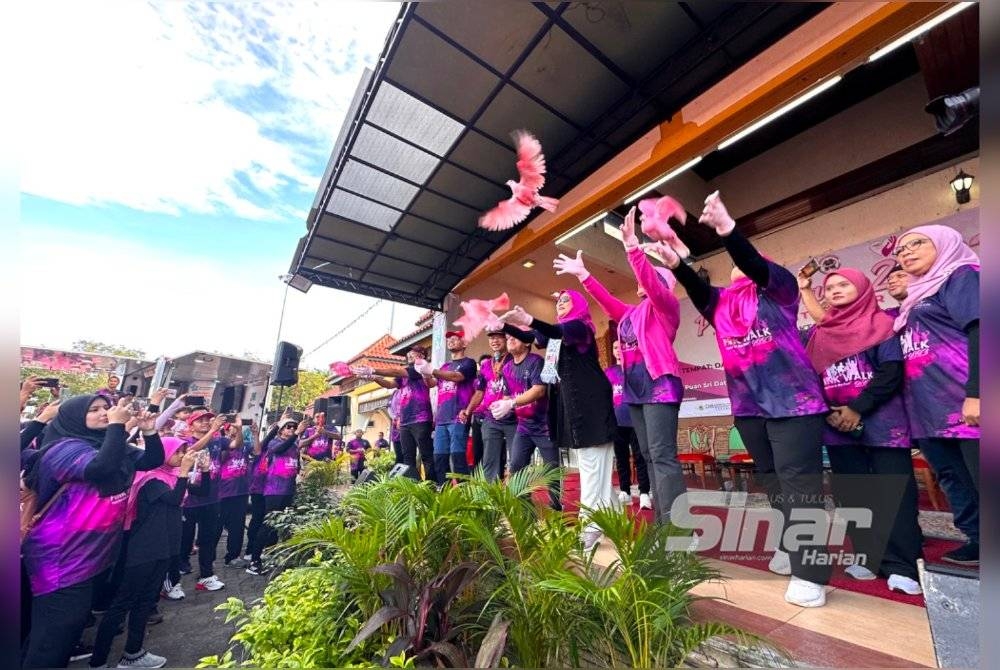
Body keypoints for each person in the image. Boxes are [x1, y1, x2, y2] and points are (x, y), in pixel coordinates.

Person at [658, 191, 831, 607]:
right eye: (732, 261)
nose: (738, 266)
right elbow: (700, 291)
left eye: (743, 259)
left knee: (799, 485)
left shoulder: (781, 290)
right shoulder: (720, 305)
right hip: (749, 408)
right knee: (772, 483)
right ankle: (790, 547)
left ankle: (812, 573)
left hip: (794, 404)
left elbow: (753, 263)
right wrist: (678, 265)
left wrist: (727, 230)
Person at [555, 206, 685, 525]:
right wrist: (583, 275)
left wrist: (632, 248)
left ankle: (681, 529)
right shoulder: (629, 314)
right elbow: (604, 299)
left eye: (652, 278)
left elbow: (653, 286)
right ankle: (664, 522)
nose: (646, 281)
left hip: (660, 388)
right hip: (636, 393)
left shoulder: (666, 307)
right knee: (649, 456)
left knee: (663, 456)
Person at [800, 267, 923, 595]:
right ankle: (869, 557)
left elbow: (891, 372)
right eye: (830, 287)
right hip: (836, 427)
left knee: (893, 494)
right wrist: (830, 413)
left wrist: (857, 409)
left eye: (843, 284)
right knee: (854, 496)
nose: (835, 290)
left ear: (863, 288)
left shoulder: (881, 323)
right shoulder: (819, 334)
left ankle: (902, 565)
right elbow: (811, 378)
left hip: (883, 424)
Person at [21, 395, 164, 669]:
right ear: (74, 418)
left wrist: (149, 430)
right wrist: (117, 426)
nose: (104, 413)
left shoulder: (108, 445)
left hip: (93, 556)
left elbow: (150, 460)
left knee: (63, 634)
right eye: (94, 410)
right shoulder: (63, 449)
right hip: (62, 557)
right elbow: (100, 467)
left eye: (106, 408)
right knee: (52, 637)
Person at [501, 290, 618, 551]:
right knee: (596, 467)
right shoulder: (558, 336)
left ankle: (591, 527)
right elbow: (534, 336)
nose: (561, 304)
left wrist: (530, 319)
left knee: (592, 467)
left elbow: (551, 331)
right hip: (576, 406)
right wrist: (504, 326)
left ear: (578, 305)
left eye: (566, 300)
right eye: (558, 302)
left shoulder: (581, 327)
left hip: (591, 404)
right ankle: (615, 519)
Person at [893, 224, 979, 565]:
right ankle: (978, 539)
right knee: (954, 478)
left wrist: (978, 393)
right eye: (901, 250)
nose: (906, 252)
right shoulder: (916, 296)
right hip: (930, 411)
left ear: (944, 244)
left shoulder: (962, 276)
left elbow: (983, 328)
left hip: (965, 400)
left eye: (917, 243)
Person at [89, 441, 204, 669]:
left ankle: (133, 653)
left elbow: (196, 493)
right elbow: (173, 499)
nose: (182, 456)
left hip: (163, 549)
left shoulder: (170, 477)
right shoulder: (151, 479)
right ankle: (98, 661)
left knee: (145, 601)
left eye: (183, 452)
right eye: (178, 451)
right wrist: (183, 473)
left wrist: (200, 471)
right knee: (122, 604)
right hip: (145, 550)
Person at [489, 327, 560, 509]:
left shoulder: (536, 361)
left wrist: (511, 403)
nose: (510, 339)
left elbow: (539, 390)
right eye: (509, 336)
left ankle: (557, 505)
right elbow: (507, 395)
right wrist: (500, 406)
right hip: (523, 426)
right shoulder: (506, 368)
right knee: (517, 466)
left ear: (528, 342)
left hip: (543, 425)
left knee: (551, 469)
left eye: (516, 337)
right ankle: (523, 504)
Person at [247, 418, 308, 575]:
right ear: (280, 430)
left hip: (288, 490)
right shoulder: (273, 443)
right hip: (274, 489)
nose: (291, 429)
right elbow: (281, 449)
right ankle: (254, 560)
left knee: (279, 525)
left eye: (294, 427)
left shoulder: (294, 445)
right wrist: (297, 433)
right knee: (267, 524)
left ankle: (270, 554)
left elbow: (295, 462)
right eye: (288, 427)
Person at [366, 346, 436, 481]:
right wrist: (374, 377)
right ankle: (411, 486)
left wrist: (374, 369)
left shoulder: (420, 369)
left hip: (420, 418)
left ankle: (430, 486)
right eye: (409, 353)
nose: (410, 355)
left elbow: (395, 371)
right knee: (407, 456)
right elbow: (389, 384)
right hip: (405, 421)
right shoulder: (403, 375)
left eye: (414, 352)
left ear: (422, 355)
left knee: (426, 454)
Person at [178, 410, 229, 591]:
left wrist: (237, 428)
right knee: (183, 539)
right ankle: (175, 576)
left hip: (212, 498)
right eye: (201, 421)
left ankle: (206, 576)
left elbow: (234, 445)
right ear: (190, 425)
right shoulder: (184, 441)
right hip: (188, 499)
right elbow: (192, 450)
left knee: (208, 539)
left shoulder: (216, 441)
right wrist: (212, 431)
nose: (206, 422)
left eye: (208, 420)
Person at [426, 331, 478, 486]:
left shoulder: (469, 363)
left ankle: (464, 492)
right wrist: (425, 373)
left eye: (455, 339)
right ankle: (445, 491)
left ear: (464, 343)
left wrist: (432, 371)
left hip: (458, 416)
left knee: (458, 457)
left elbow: (457, 377)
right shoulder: (445, 366)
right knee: (439, 457)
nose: (451, 341)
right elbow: (431, 384)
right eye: (449, 339)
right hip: (442, 419)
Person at [604, 340, 652, 510]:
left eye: (620, 347)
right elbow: (604, 397)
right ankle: (625, 490)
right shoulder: (609, 372)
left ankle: (645, 492)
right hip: (616, 421)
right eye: (615, 347)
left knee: (641, 457)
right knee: (621, 457)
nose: (618, 351)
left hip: (636, 420)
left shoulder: (636, 368)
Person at [463, 330, 514, 482]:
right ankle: (492, 496)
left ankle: (520, 497)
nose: (494, 341)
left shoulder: (514, 359)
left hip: (513, 417)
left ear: (506, 339)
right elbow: (479, 392)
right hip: (490, 418)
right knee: (489, 460)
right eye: (491, 338)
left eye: (498, 337)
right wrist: (468, 410)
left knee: (517, 460)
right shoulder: (486, 365)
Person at [217, 419, 252, 569]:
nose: (235, 429)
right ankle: (207, 558)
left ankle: (233, 556)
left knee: (238, 525)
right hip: (222, 492)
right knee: (215, 527)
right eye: (232, 427)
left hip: (241, 491)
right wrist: (227, 440)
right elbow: (221, 458)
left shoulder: (245, 445)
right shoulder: (220, 444)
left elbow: (257, 450)